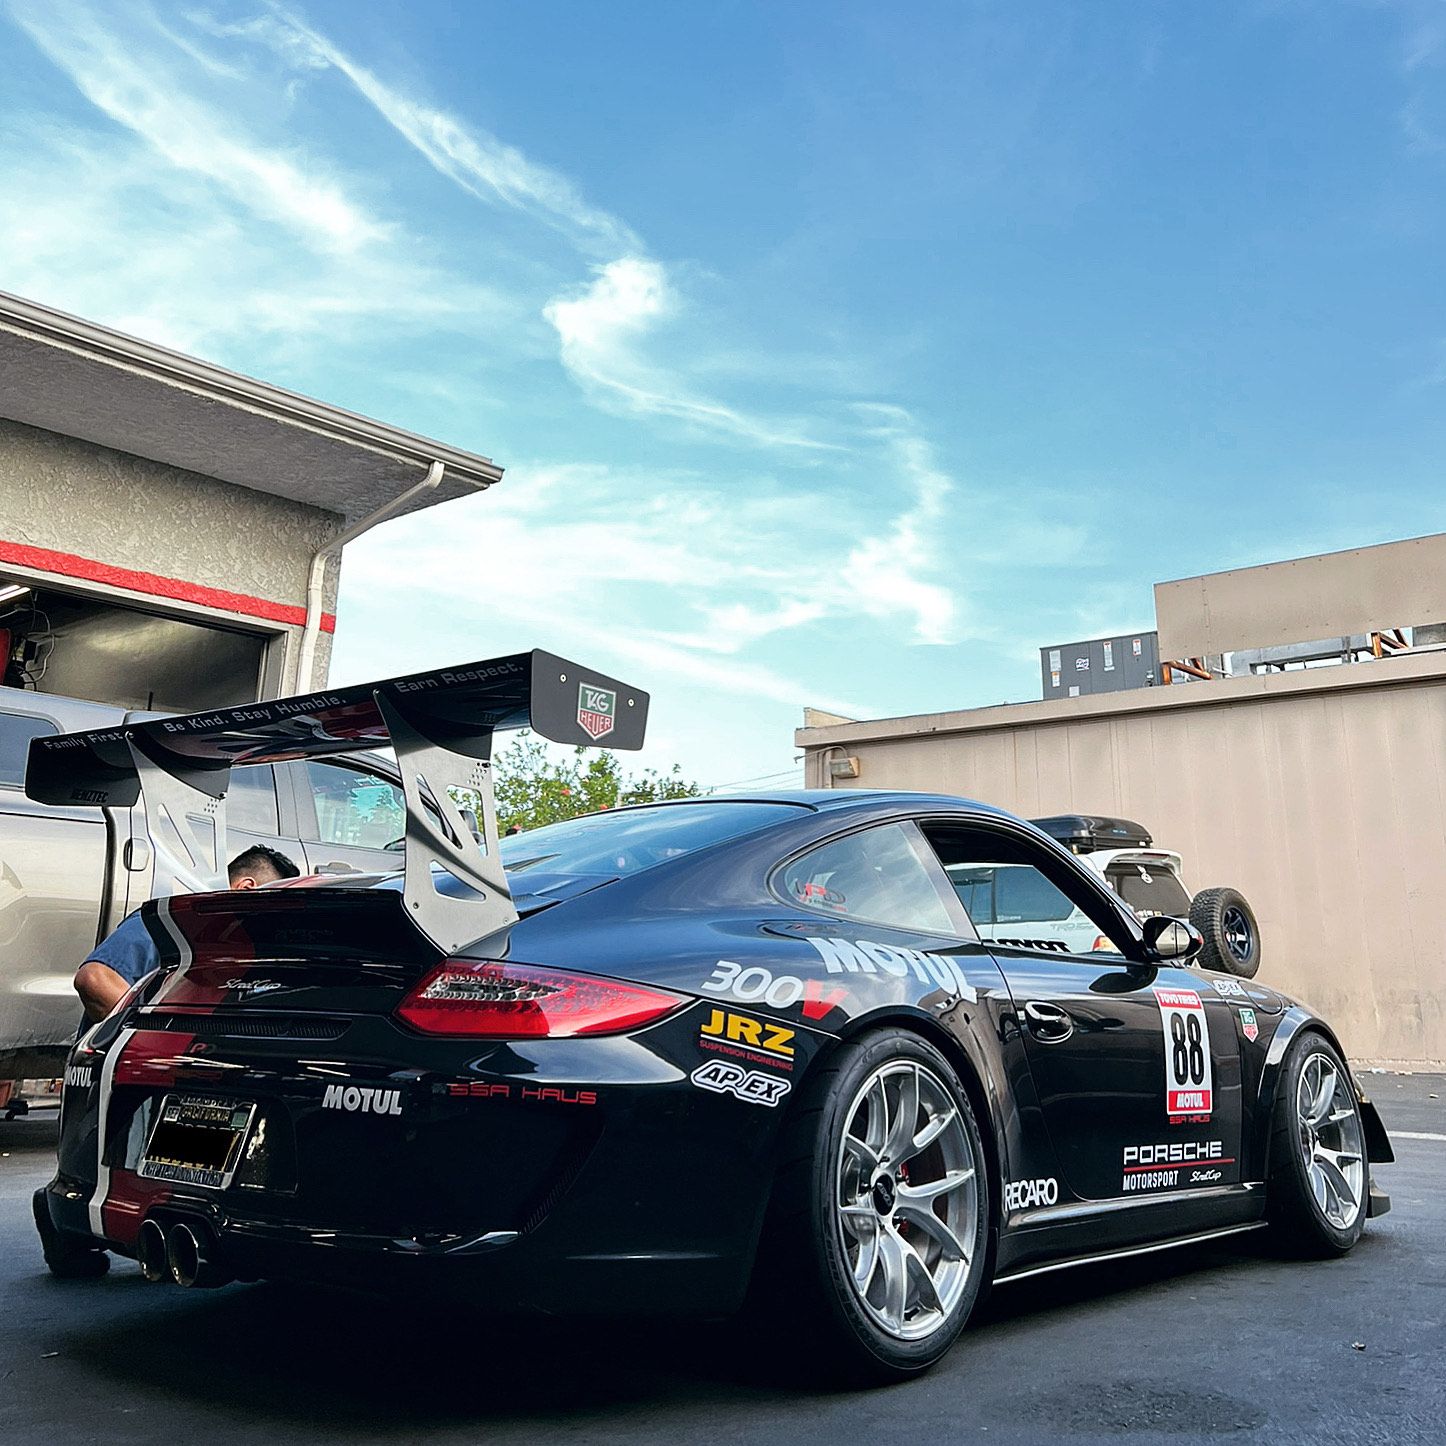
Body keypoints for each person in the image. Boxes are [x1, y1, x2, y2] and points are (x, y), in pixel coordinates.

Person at [72, 845, 301, 1023]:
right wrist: (156, 1037)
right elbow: (95, 979)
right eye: (270, 912)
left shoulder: (224, 946)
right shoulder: (172, 924)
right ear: (246, 889)